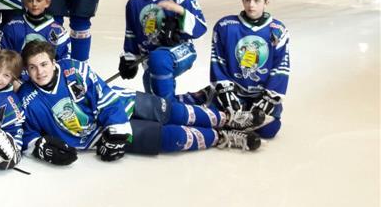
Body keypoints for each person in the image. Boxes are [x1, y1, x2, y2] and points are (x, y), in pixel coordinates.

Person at [18, 42, 262, 167]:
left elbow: (104, 97)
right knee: (169, 138)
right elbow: (26, 131)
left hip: (120, 104)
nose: (40, 72)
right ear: (27, 71)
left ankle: (227, 118)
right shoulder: (27, 98)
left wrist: (117, 130)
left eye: (44, 64)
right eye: (33, 67)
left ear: (54, 62)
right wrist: (40, 147)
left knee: (173, 111)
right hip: (95, 136)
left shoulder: (74, 69)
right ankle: (221, 137)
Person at [209, 0, 289, 139]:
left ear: (266, 2)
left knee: (269, 129)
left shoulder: (278, 30)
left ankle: (235, 127)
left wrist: (269, 98)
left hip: (261, 94)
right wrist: (225, 92)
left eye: (257, 0)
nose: (251, 5)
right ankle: (209, 99)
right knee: (211, 119)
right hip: (234, 91)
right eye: (247, 0)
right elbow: (217, 61)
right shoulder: (225, 26)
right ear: (243, 1)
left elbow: (280, 67)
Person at [119, 0, 207, 101]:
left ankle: (171, 111)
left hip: (181, 51)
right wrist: (129, 58)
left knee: (159, 62)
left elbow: (201, 28)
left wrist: (180, 10)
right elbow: (131, 33)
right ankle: (194, 99)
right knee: (153, 94)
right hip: (150, 58)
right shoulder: (135, 1)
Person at [0, 0, 70, 61]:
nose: (34, 4)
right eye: (30, 0)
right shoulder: (12, 26)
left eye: (39, 0)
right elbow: (4, 58)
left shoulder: (58, 31)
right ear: (25, 3)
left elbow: (64, 61)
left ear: (47, 3)